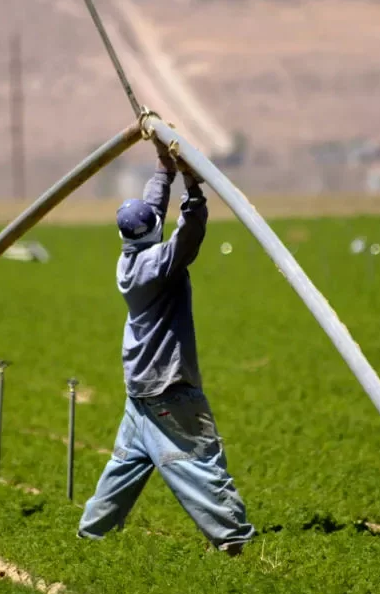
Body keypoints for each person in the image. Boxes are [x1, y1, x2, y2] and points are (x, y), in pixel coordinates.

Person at [78, 140, 255, 555]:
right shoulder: (157, 266)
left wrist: (163, 170)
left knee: (124, 465)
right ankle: (233, 540)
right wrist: (194, 189)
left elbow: (152, 213)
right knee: (199, 458)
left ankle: (91, 536)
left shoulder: (129, 260)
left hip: (139, 389)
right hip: (168, 388)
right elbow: (188, 237)